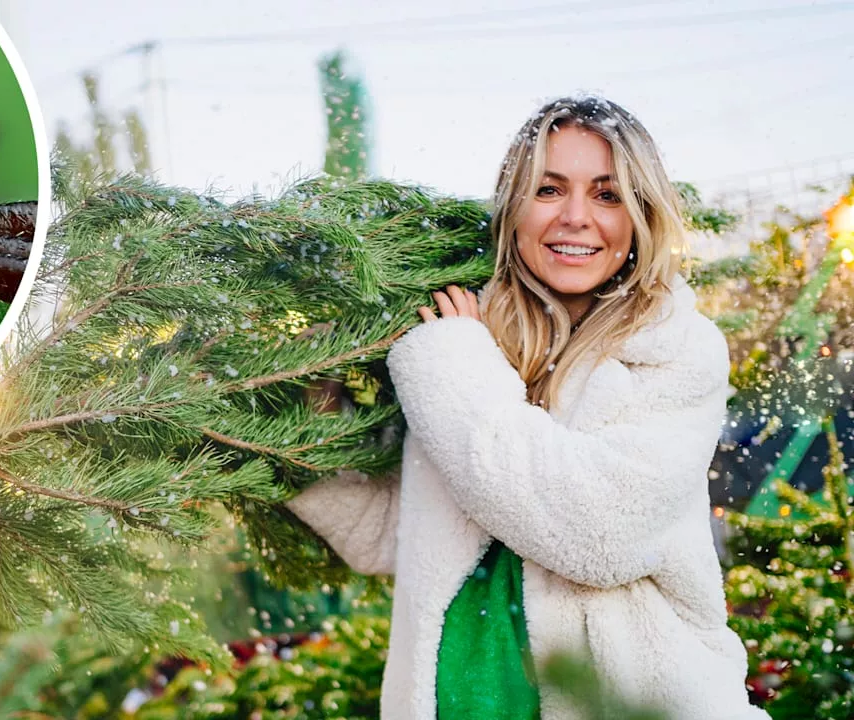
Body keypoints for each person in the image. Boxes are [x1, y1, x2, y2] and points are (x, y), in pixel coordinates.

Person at [286, 95, 767, 720]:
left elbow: (598, 532)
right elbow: (393, 534)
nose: (574, 218)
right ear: (514, 207)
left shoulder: (676, 351)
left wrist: (454, 367)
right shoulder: (476, 342)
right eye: (548, 189)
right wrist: (298, 414)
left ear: (641, 215)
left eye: (607, 194)